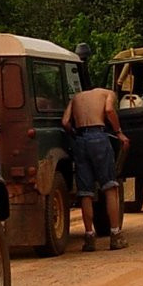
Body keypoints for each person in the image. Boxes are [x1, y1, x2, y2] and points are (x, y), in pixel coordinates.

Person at [61, 85, 129, 251]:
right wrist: (118, 132)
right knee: (110, 187)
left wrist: (76, 135)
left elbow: (65, 122)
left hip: (80, 141)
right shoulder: (108, 94)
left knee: (85, 192)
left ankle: (89, 238)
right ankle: (115, 236)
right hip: (98, 137)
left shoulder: (76, 97)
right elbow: (109, 110)